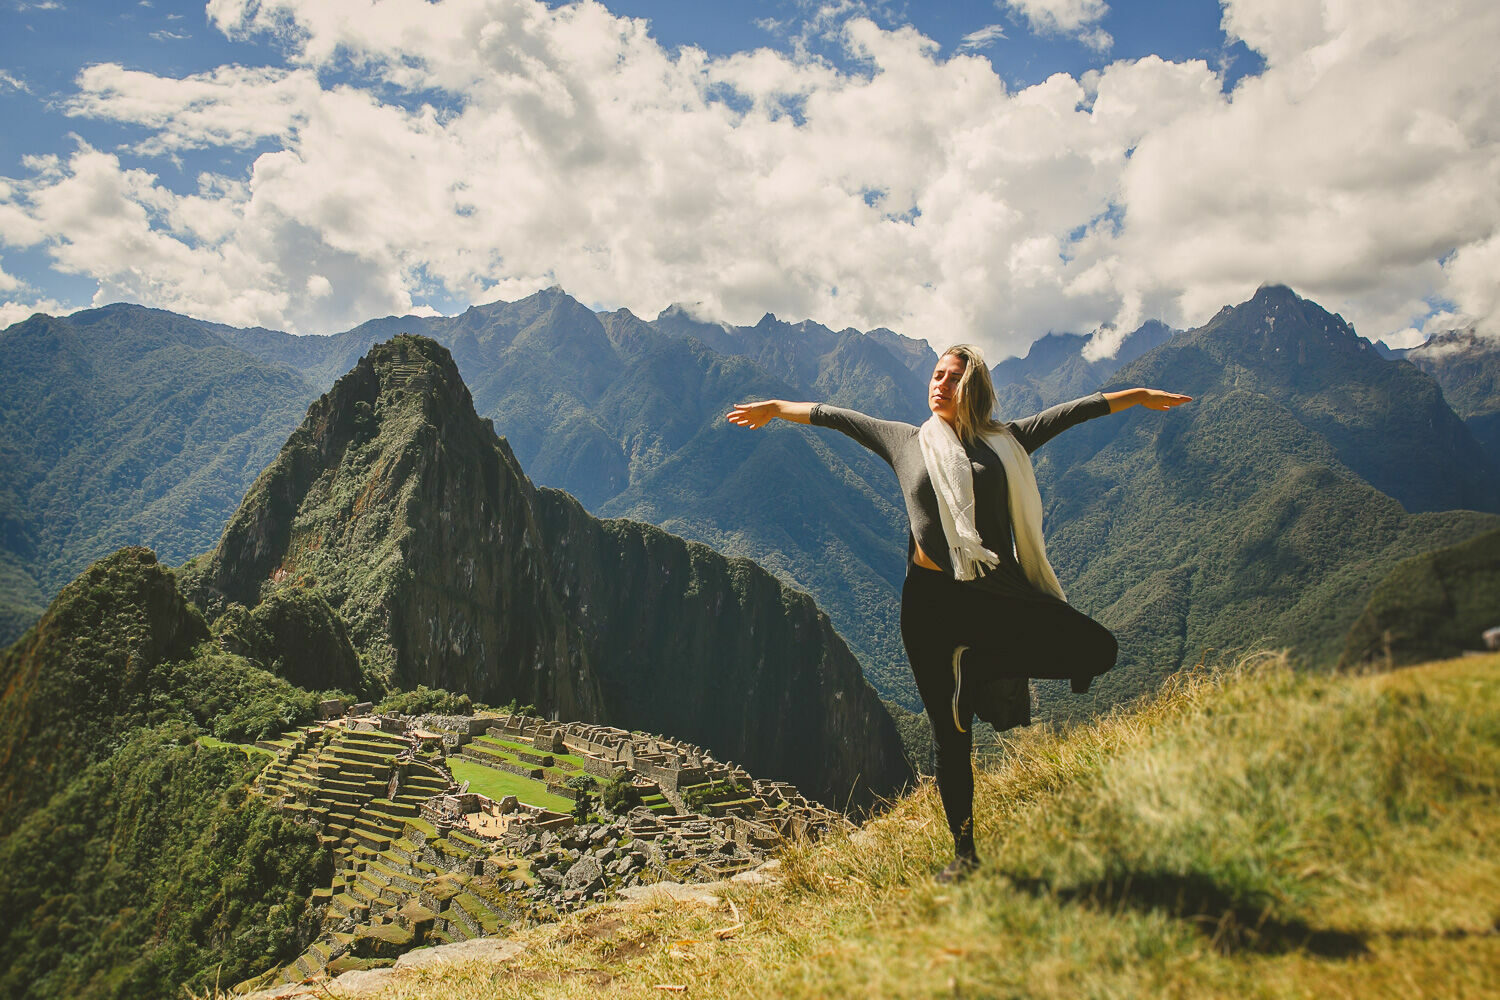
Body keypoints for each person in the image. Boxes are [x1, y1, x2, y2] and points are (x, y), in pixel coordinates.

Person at [725, 344, 1191, 882]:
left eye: (953, 377)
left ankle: (982, 665)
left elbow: (1075, 411)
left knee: (1098, 648)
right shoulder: (905, 440)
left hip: (994, 595)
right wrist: (775, 408)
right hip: (929, 605)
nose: (939, 384)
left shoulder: (1006, 440)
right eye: (936, 375)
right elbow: (836, 418)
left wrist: (1136, 397)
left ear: (974, 387)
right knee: (952, 735)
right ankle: (964, 854)